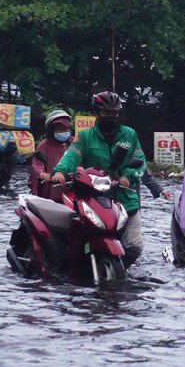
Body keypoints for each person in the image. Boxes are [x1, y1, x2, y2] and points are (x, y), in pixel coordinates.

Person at [51, 91, 146, 268]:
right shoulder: (86, 136)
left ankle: (120, 271)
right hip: (96, 200)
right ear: (97, 113)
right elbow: (71, 156)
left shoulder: (130, 135)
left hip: (126, 200)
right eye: (107, 113)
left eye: (114, 113)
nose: (111, 116)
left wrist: (128, 177)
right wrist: (60, 172)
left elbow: (141, 163)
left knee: (135, 246)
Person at [29, 109, 74, 199]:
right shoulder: (44, 145)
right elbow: (37, 165)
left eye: (66, 130)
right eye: (59, 130)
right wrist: (43, 174)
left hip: (74, 187)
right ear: (51, 131)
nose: (63, 133)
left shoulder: (75, 143)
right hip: (51, 190)